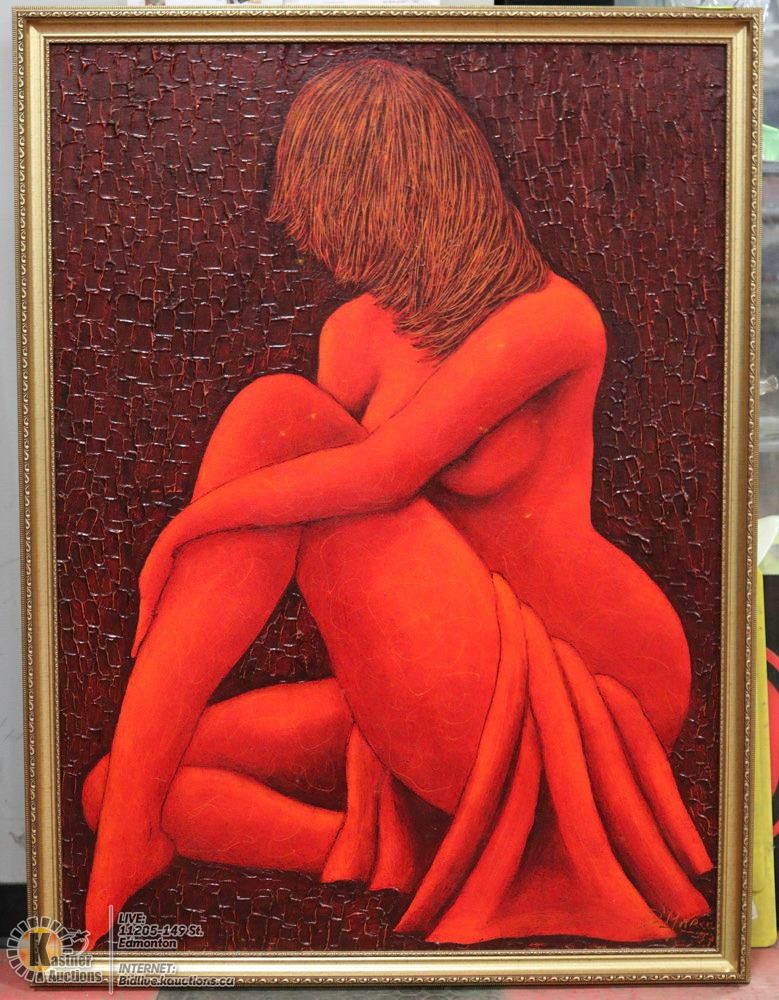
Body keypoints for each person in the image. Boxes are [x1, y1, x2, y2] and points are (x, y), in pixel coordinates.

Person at [82, 58, 712, 947]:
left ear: (409, 196)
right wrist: (224, 525)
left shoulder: (549, 319)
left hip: (583, 678)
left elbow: (383, 475)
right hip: (434, 674)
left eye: (337, 208)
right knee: (115, 786)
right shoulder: (353, 332)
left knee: (273, 412)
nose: (319, 239)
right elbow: (302, 530)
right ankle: (377, 855)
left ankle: (127, 849)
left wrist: (191, 524)